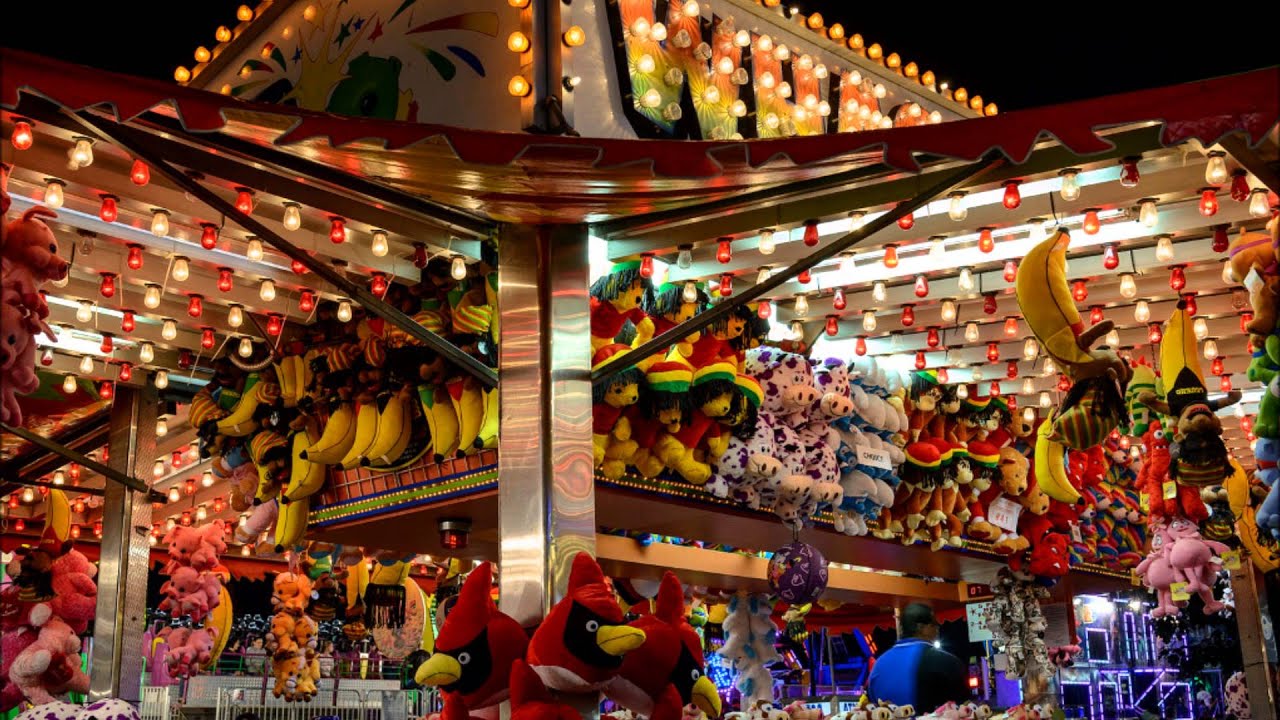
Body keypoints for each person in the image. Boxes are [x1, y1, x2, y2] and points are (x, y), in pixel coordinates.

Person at [867, 603, 970, 713]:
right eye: (934, 624)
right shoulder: (948, 663)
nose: (938, 628)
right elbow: (964, 710)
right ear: (920, 627)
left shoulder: (878, 665)